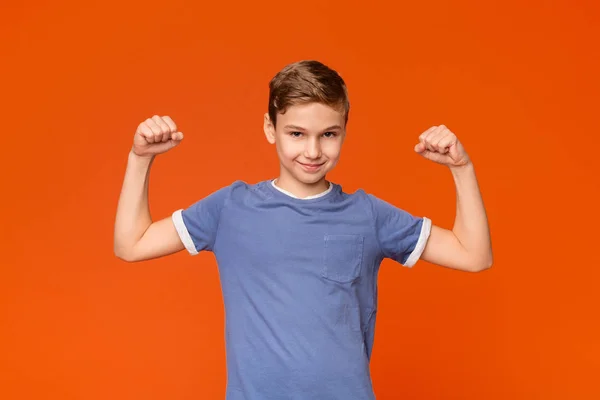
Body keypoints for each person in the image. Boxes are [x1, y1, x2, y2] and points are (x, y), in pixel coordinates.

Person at [113, 60, 493, 399]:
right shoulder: (230, 208)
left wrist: (462, 170)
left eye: (328, 134)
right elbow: (132, 244)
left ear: (344, 130)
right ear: (270, 128)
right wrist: (140, 159)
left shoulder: (368, 215)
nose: (312, 151)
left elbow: (473, 255)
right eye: (296, 134)